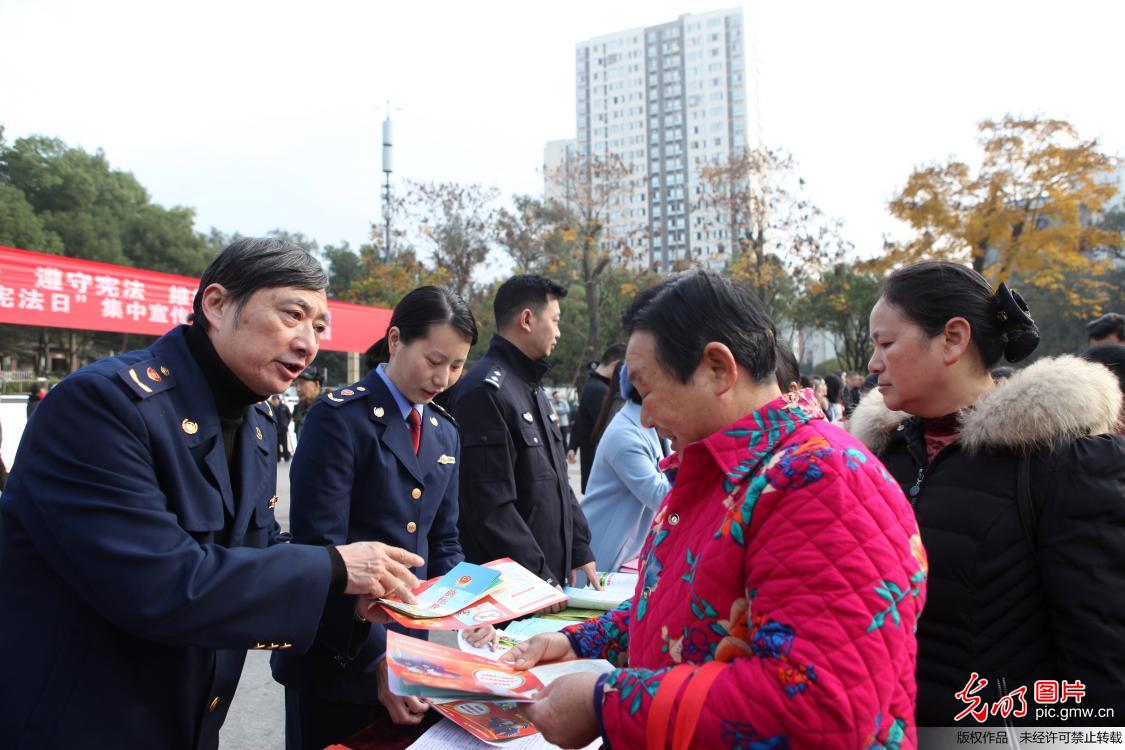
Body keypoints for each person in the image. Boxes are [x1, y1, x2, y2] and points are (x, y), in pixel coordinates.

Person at [0, 238, 424, 749]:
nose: (309, 344)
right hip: (83, 721)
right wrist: (334, 567)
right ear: (218, 304)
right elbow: (159, 582)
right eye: (294, 315)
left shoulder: (257, 422)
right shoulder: (103, 406)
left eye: (318, 328)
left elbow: (254, 551)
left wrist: (346, 601)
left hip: (190, 721)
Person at [507, 271, 926, 749]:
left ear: (717, 369)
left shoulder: (823, 480)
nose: (645, 416)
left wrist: (606, 703)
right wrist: (580, 642)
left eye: (648, 390)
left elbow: (820, 705)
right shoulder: (725, 469)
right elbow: (689, 604)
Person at [850, 260, 1125, 727]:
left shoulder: (1058, 462)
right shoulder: (877, 458)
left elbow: (1103, 667)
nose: (873, 364)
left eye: (887, 344)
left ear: (953, 339)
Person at [272, 286, 493, 749]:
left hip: (411, 655)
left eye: (456, 366)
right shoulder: (341, 419)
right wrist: (377, 657)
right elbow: (320, 551)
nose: (443, 377)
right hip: (338, 655)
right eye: (434, 360)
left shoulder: (442, 431)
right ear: (395, 340)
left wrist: (472, 605)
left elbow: (443, 539)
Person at [448, 275, 599, 593]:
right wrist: (541, 578)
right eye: (555, 321)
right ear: (527, 319)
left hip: (546, 580)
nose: (558, 332)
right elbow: (491, 507)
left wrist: (579, 548)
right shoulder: (486, 391)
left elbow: (557, 480)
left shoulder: (531, 388)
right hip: (511, 589)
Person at [581, 362, 670, 572]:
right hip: (606, 548)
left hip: (630, 550)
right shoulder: (625, 435)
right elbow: (661, 495)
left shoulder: (654, 424)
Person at [568, 343, 625, 492]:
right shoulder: (600, 390)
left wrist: (572, 445)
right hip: (599, 474)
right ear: (616, 366)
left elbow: (579, 420)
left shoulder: (592, 385)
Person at [293, 365, 323, 437]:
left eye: (302, 383)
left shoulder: (326, 409)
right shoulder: (299, 408)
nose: (298, 389)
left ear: (316, 384)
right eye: (296, 384)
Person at [271, 393, 293, 462]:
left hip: (283, 428)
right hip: (275, 429)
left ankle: (286, 458)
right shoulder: (271, 408)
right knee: (276, 444)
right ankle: (278, 458)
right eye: (273, 400)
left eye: (276, 400)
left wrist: (286, 424)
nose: (274, 401)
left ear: (279, 400)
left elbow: (289, 416)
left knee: (284, 444)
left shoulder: (284, 407)